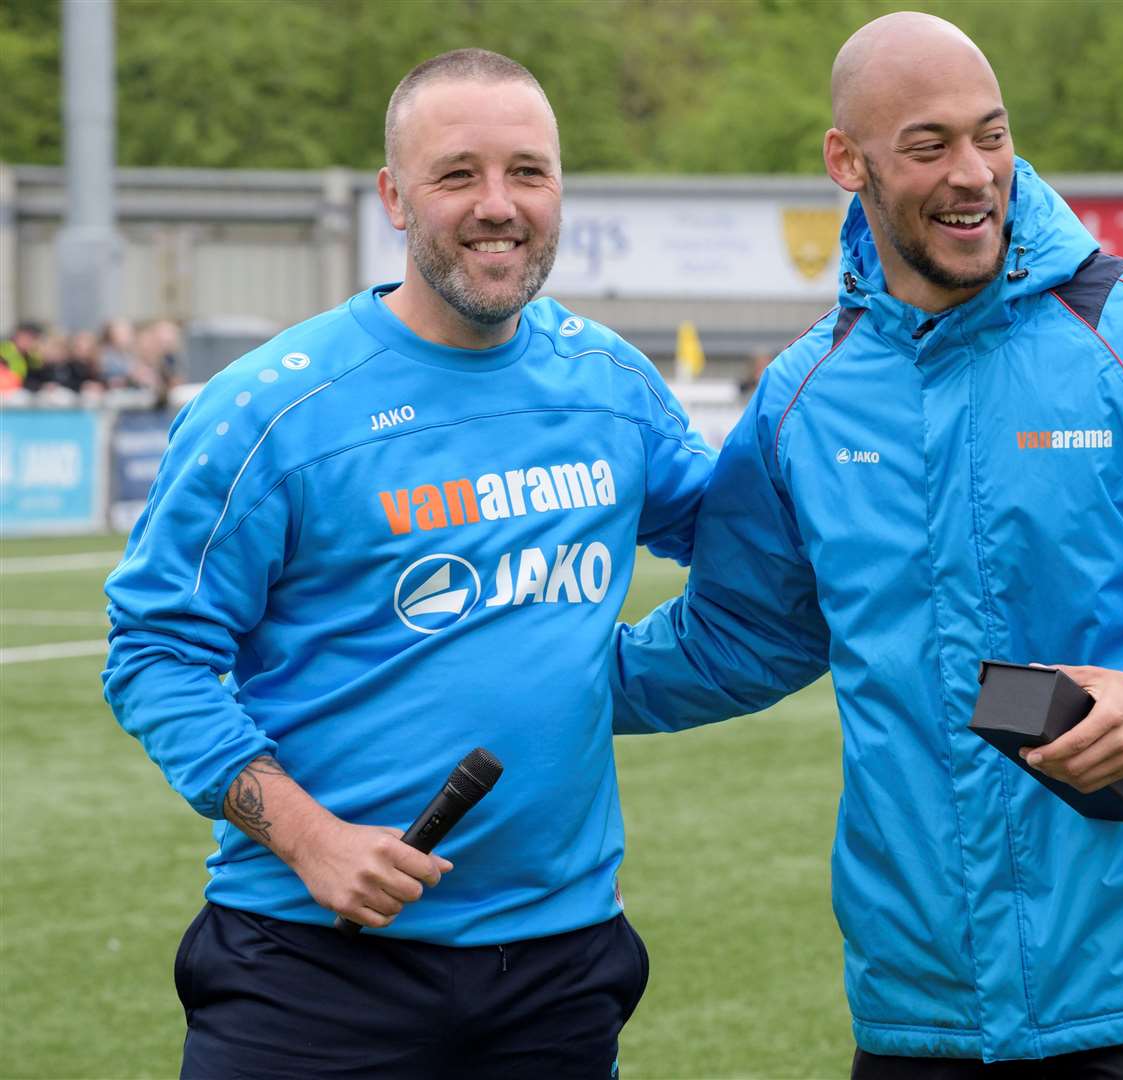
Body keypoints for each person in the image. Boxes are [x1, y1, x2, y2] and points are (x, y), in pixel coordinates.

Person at [610, 13, 1123, 1076]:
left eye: (992, 136)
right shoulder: (802, 399)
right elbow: (739, 638)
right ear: (848, 161)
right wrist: (528, 675)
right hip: (922, 986)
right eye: (928, 146)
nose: (973, 174)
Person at [103, 48, 713, 1078]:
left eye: (528, 171)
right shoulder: (272, 407)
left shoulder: (610, 384)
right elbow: (153, 652)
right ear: (393, 195)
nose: (498, 205)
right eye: (455, 174)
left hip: (557, 969)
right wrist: (307, 838)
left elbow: (748, 556)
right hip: (308, 968)